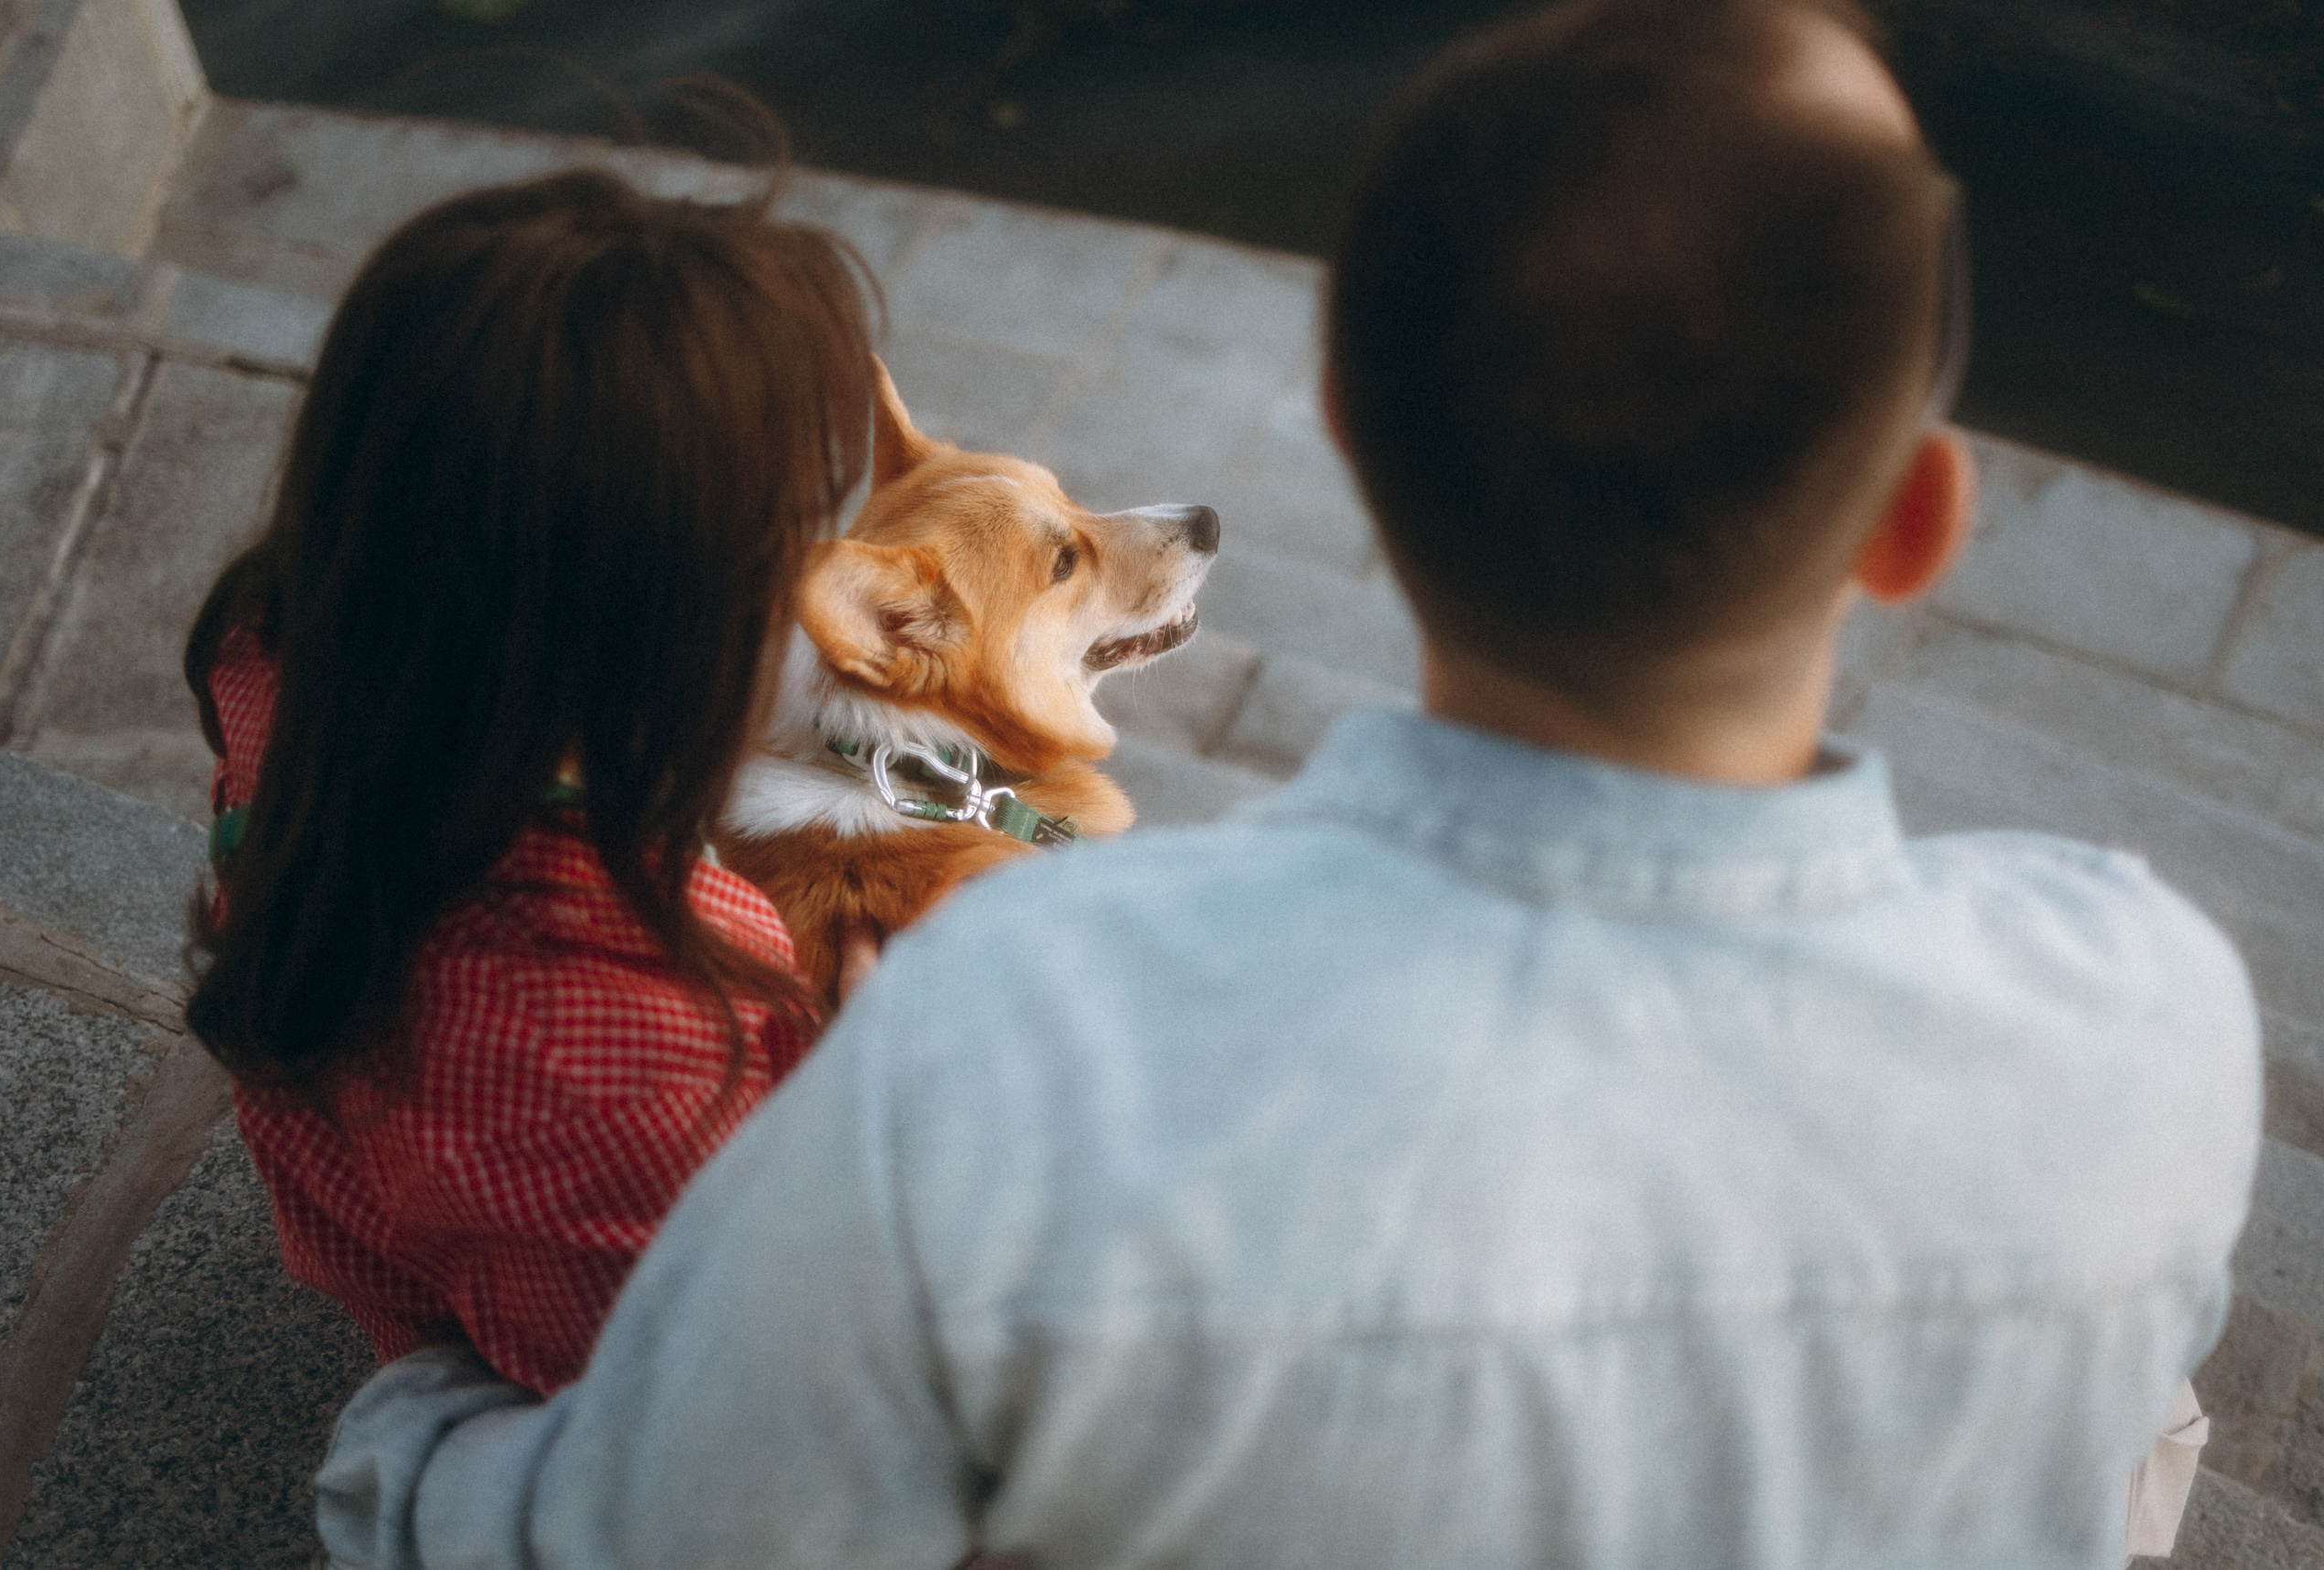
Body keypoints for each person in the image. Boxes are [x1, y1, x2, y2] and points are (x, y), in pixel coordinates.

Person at [316, 1, 2261, 1564]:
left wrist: (408, 1419)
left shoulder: (1008, 1036)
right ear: (1915, 520)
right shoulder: (2147, 1000)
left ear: (1345, 415)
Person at [182, 167, 875, 1397]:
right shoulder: (629, 1064)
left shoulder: (276, 658)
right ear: (653, 635)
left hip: (392, 1195)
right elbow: (676, 1377)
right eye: (785, 542)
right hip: (572, 1367)